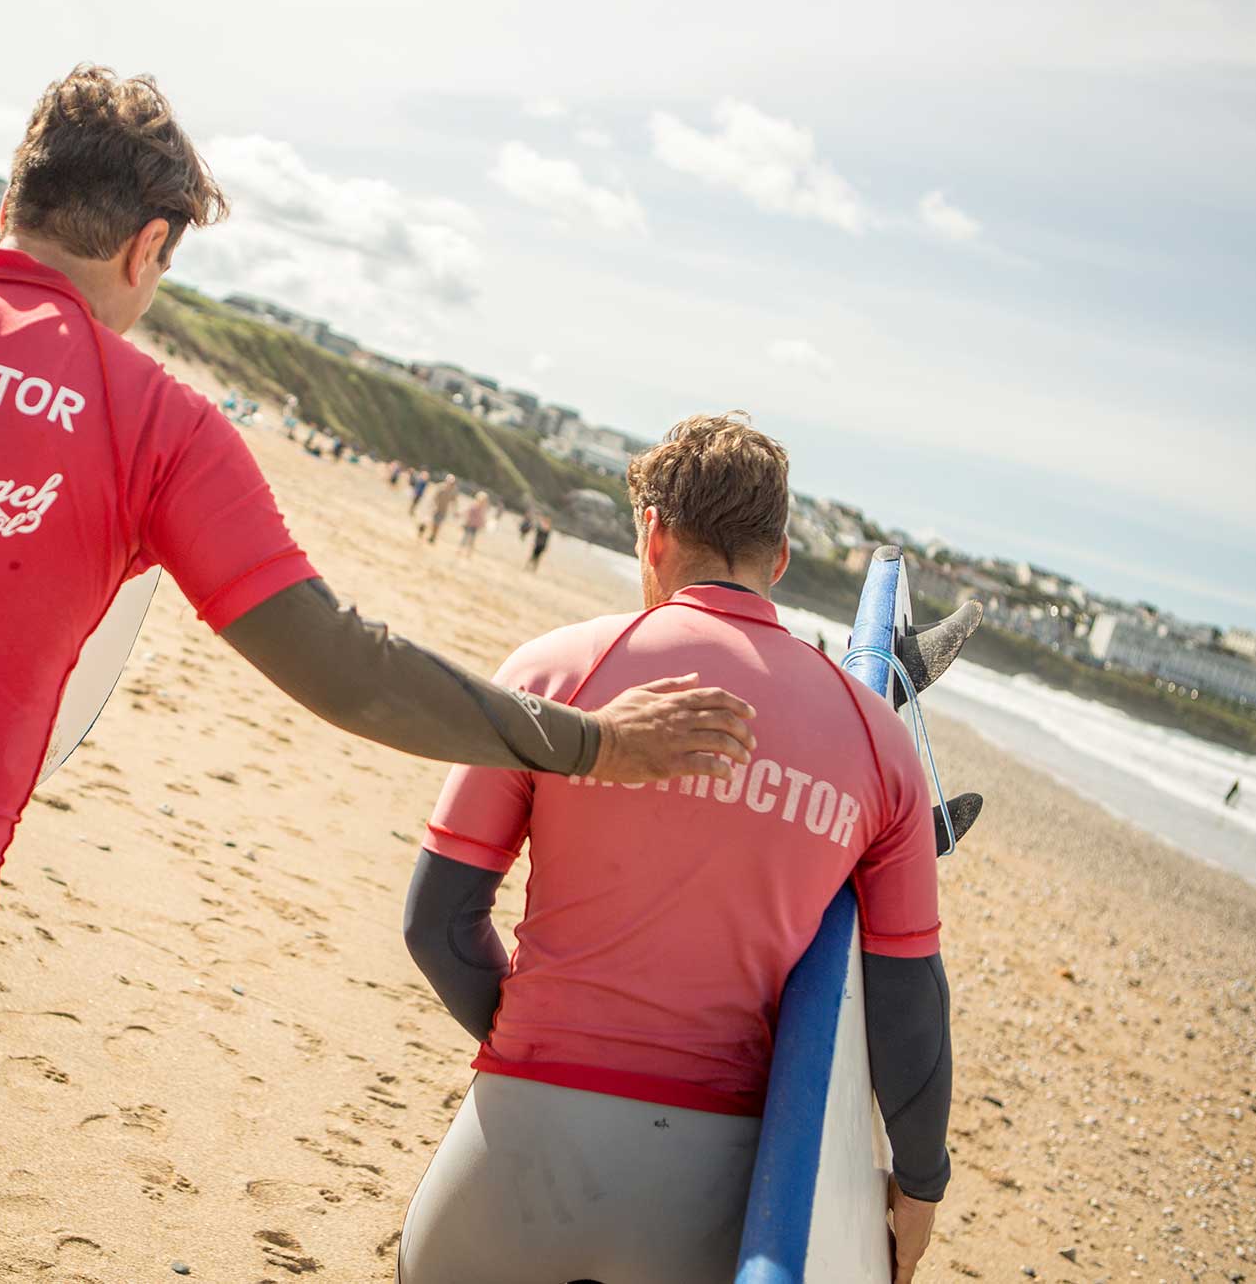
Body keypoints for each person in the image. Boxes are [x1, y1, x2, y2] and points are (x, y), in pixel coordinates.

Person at [0, 65, 758, 1284]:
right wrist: (592, 741)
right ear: (147, 246)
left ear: (13, 200)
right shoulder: (156, 421)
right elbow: (340, 662)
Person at [398, 412, 951, 1284]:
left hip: (508, 1163)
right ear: (778, 559)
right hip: (716, 1201)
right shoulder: (876, 741)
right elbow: (905, 997)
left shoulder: (551, 671)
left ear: (651, 535)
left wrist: (534, 1043)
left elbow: (437, 922)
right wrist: (919, 1184)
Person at [426, 474, 459, 543]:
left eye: (452, 482)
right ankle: (432, 534)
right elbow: (435, 497)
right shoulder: (440, 486)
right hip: (436, 508)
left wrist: (455, 511)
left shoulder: (453, 491)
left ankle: (433, 536)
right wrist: (433, 505)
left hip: (444, 510)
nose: (450, 483)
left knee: (438, 524)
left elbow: (454, 501)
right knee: (434, 523)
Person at [457, 490, 491, 555]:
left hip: (475, 526)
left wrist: (484, 524)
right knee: (465, 538)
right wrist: (460, 514)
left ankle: (469, 552)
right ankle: (460, 550)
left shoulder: (483, 509)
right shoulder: (473, 505)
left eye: (484, 500)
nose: (482, 501)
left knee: (472, 540)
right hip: (469, 524)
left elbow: (482, 518)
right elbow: (467, 511)